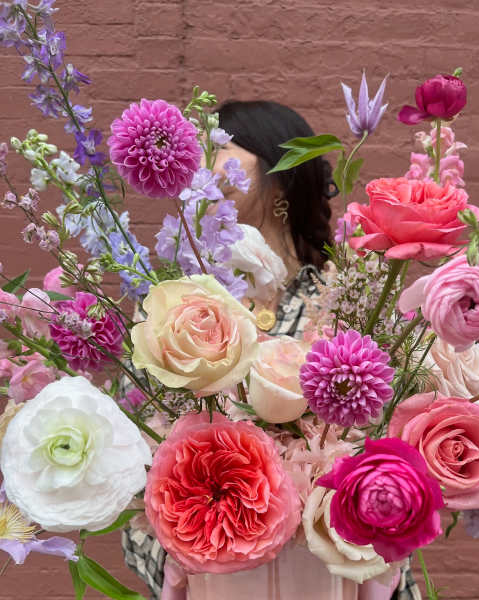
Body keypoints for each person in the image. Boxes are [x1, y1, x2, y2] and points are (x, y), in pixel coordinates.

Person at [122, 100, 420, 600]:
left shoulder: (347, 300)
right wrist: (180, 561)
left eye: (219, 148)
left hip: (326, 578)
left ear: (278, 172)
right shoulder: (180, 306)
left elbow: (388, 455)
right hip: (216, 575)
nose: (200, 167)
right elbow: (136, 464)